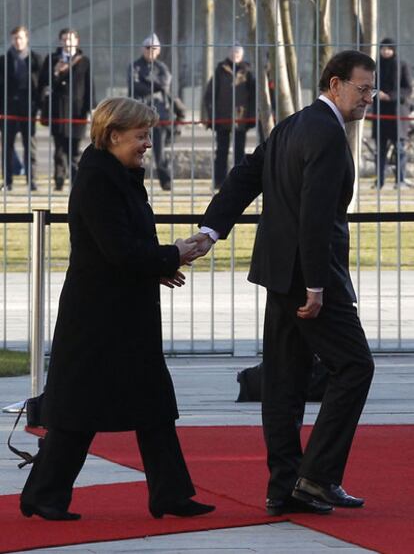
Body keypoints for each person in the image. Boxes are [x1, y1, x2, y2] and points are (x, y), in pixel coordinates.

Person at [190, 50, 376, 516]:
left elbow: (244, 176)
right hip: (311, 277)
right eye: (362, 89)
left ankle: (285, 486)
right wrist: (316, 284)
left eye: (372, 90)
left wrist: (212, 229)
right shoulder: (328, 134)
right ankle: (316, 478)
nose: (369, 98)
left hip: (278, 272)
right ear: (335, 85)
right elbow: (315, 216)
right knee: (355, 367)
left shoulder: (293, 124)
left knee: (285, 382)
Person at [20, 97, 215, 522]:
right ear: (113, 136)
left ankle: (170, 494)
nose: (148, 143)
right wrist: (173, 255)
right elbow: (117, 250)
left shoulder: (118, 176)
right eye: (141, 135)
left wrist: (159, 265)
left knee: (154, 407)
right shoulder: (98, 180)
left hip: (125, 311)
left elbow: (127, 247)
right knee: (78, 412)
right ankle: (43, 495)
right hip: (99, 317)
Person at [39, 28, 94, 191]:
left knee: (75, 148)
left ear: (76, 41)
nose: (67, 42)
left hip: (77, 110)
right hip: (58, 109)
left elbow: (89, 85)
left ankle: (75, 180)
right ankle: (59, 179)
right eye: (64, 39)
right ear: (60, 41)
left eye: (70, 39)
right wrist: (55, 71)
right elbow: (43, 82)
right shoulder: (52, 59)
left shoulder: (84, 61)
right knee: (59, 147)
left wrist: (90, 107)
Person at [204, 43, 256, 188]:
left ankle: (238, 181)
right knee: (221, 151)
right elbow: (210, 95)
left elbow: (253, 97)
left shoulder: (248, 72)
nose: (235, 55)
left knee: (240, 152)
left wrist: (251, 117)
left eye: (238, 53)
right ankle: (219, 181)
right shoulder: (220, 71)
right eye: (233, 52)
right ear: (228, 53)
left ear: (242, 55)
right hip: (222, 117)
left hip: (241, 118)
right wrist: (211, 117)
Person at [0, 26, 42, 191]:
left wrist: (38, 106)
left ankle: (31, 181)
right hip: (8, 110)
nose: (18, 41)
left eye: (21, 38)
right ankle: (8, 181)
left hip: (28, 110)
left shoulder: (35, 59)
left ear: (27, 39)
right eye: (15, 38)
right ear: (12, 40)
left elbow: (40, 85)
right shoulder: (3, 61)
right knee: (7, 147)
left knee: (30, 146)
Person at [128, 33, 172, 190]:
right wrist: (155, 85)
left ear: (158, 50)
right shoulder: (135, 66)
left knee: (160, 151)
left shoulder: (162, 67)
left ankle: (165, 181)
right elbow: (134, 86)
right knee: (133, 150)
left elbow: (165, 83)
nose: (150, 51)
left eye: (154, 48)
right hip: (138, 114)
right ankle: (132, 181)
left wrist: (146, 82)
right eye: (147, 47)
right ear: (142, 49)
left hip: (158, 114)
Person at [371, 37, 413, 189]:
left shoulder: (402, 65)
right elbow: (368, 86)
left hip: (397, 114)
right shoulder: (374, 66)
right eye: (383, 48)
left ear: (394, 50)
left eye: (389, 48)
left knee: (400, 149)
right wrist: (378, 94)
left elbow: (407, 89)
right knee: (379, 151)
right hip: (379, 113)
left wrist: (391, 96)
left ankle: (400, 180)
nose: (386, 51)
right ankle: (379, 181)